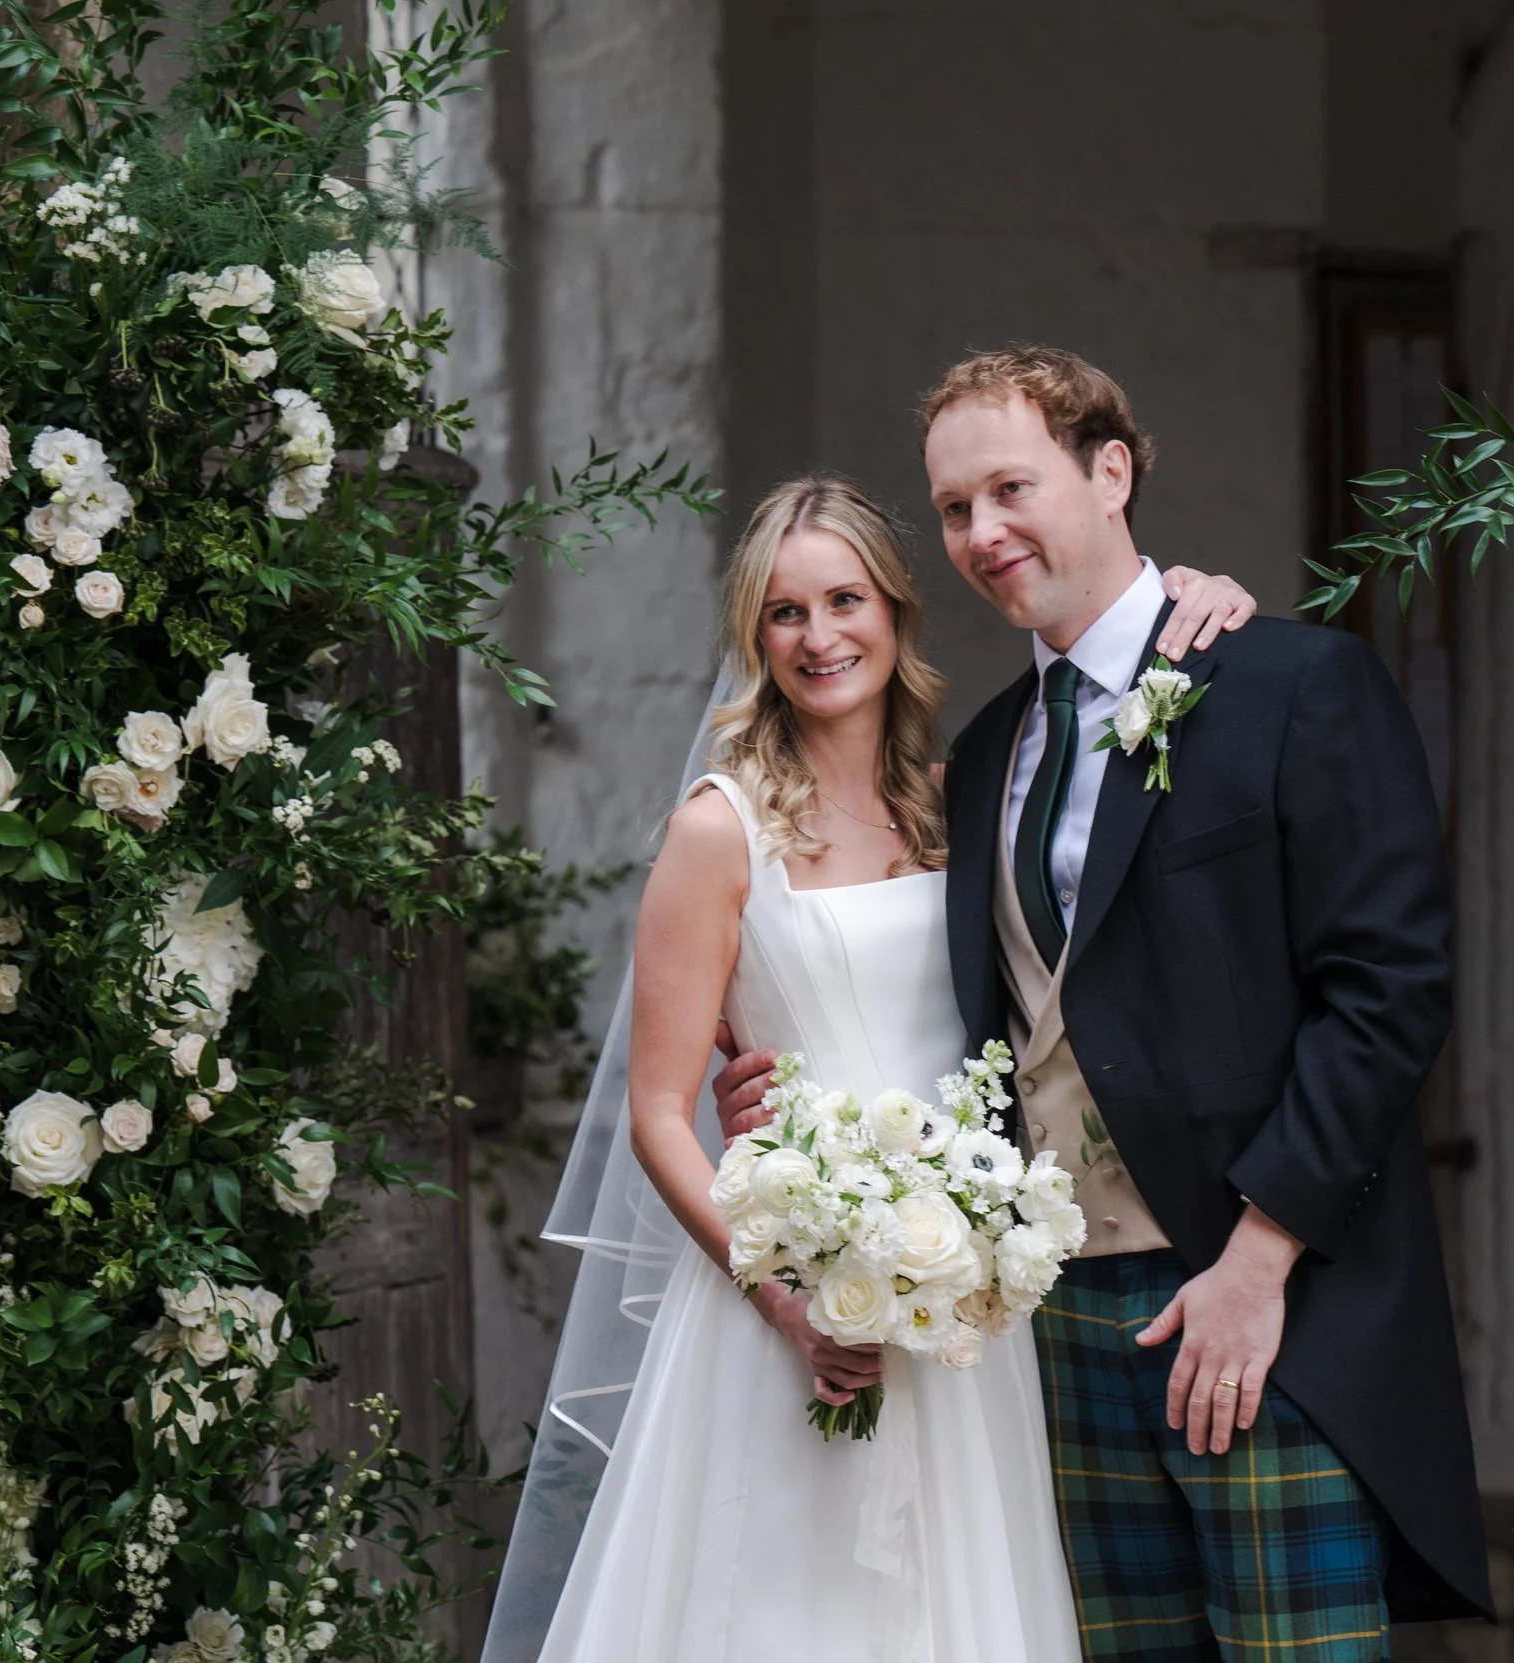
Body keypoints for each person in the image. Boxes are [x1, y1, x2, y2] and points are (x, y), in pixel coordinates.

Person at [715, 347, 1490, 1660]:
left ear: (1110, 469)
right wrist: (789, 1097)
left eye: (1011, 486)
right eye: (955, 508)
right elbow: (955, 1013)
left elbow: (1388, 992)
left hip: (1263, 1305)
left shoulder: (1295, 686)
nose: (982, 531)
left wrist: (1259, 1258)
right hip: (1052, 1321)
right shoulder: (978, 764)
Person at [531, 472, 1258, 1662]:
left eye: (844, 600)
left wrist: (1197, 595)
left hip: (969, 1314)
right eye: (784, 613)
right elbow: (659, 1113)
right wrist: (788, 1303)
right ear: (753, 639)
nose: (819, 637)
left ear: (897, 612)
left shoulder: (961, 799)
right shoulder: (719, 830)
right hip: (798, 1312)